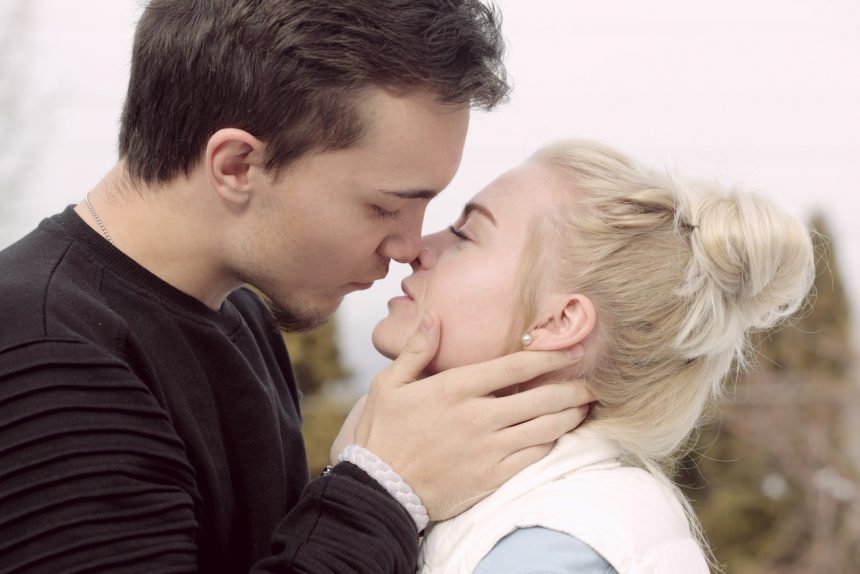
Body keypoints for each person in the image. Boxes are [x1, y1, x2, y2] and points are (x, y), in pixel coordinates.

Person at [0, 2, 595, 572]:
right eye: (385, 206)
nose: (411, 246)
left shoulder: (240, 318)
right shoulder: (48, 356)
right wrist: (385, 487)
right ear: (236, 165)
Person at [365, 139, 815, 573]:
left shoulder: (552, 551)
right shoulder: (513, 515)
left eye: (465, 234)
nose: (418, 248)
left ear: (558, 322)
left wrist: (364, 489)